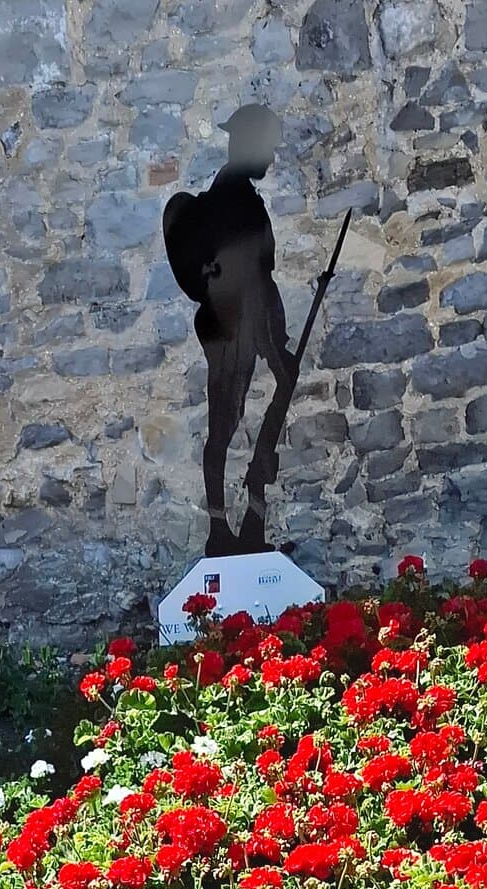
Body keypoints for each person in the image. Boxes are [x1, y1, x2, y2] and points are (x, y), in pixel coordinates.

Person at [164, 106, 297, 555]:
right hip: (231, 327)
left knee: (268, 401)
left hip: (258, 321)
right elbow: (236, 274)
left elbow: (264, 273)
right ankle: (220, 527)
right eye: (268, 146)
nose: (272, 156)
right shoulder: (229, 199)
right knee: (222, 423)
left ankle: (255, 507)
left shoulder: (246, 199)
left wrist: (275, 336)